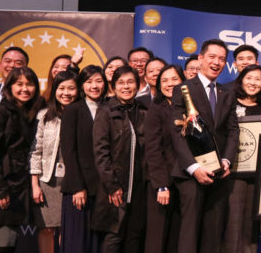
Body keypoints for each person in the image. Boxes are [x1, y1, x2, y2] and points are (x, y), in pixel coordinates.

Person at [169, 39, 239, 253]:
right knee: (189, 234)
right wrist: (194, 168)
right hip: (191, 175)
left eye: (221, 59)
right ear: (200, 59)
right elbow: (176, 133)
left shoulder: (227, 93)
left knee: (213, 234)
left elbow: (232, 130)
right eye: (212, 57)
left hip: (219, 175)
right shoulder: (183, 89)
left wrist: (226, 161)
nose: (217, 62)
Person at [0, 67, 44, 252]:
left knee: (11, 245)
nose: (25, 89)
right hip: (0, 189)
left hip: (19, 187)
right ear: (9, 87)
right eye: (19, 84)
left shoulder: (29, 112)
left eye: (30, 84)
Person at [92, 66, 146, 252]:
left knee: (134, 238)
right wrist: (112, 186)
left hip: (139, 188)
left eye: (130, 82)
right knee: (113, 237)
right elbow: (101, 153)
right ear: (113, 87)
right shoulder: (105, 112)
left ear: (138, 86)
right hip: (114, 188)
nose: (126, 86)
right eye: (121, 83)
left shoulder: (143, 111)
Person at [29, 70, 79, 253]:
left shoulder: (82, 114)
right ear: (55, 90)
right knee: (47, 228)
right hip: (47, 181)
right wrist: (35, 184)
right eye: (61, 88)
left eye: (71, 88)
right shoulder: (44, 115)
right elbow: (35, 151)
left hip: (73, 183)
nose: (66, 93)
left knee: (69, 230)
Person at [59, 65, 107, 252]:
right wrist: (78, 187)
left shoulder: (110, 107)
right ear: (81, 85)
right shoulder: (73, 110)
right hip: (79, 188)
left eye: (98, 81)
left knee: (97, 242)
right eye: (88, 81)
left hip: (103, 188)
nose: (94, 86)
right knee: (78, 242)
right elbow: (68, 151)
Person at [226, 64, 261, 253]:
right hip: (232, 172)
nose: (253, 83)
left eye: (258, 79)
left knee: (251, 225)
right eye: (249, 78)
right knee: (233, 222)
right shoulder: (229, 101)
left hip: (256, 173)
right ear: (241, 79)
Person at [141, 65, 187, 253]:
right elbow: (153, 150)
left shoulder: (189, 108)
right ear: (158, 86)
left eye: (174, 79)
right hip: (162, 183)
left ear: (182, 81)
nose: (170, 84)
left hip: (184, 180)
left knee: (176, 235)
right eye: (164, 81)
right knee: (157, 237)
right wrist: (161, 185)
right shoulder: (156, 110)